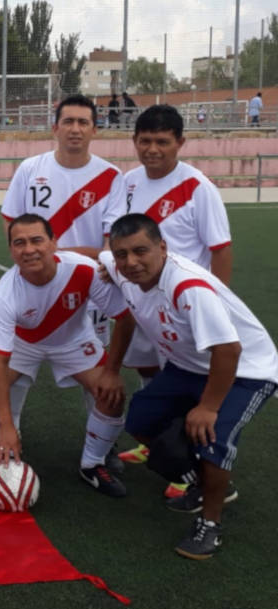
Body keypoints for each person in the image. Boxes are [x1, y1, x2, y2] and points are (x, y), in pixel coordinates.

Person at [104, 214, 277, 559]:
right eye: (121, 254)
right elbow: (112, 283)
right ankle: (203, 484)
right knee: (139, 420)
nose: (131, 262)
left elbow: (228, 350)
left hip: (245, 368)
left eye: (141, 251)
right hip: (190, 365)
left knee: (212, 437)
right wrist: (111, 369)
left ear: (163, 248)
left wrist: (208, 407)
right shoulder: (119, 269)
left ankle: (210, 525)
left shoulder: (187, 287)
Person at [117, 105, 234, 496]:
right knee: (151, 373)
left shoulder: (199, 188)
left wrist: (214, 303)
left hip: (184, 307)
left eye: (162, 142)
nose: (153, 149)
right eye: (145, 141)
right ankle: (157, 444)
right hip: (145, 300)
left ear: (180, 143)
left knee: (192, 388)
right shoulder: (129, 182)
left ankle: (191, 466)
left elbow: (220, 250)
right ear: (134, 142)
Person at [0, 214, 133, 496]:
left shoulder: (85, 270)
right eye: (19, 243)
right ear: (11, 250)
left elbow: (124, 317)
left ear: (54, 243)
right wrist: (5, 425)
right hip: (24, 343)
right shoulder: (5, 294)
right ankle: (7, 451)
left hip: (73, 340)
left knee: (112, 394)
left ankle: (93, 463)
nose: (29, 249)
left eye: (37, 240)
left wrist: (112, 371)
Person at [1, 94, 126, 364]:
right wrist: (31, 262)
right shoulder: (30, 169)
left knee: (96, 374)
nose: (75, 129)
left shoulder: (111, 176)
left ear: (95, 129)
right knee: (16, 366)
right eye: (68, 121)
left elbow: (112, 242)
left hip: (88, 286)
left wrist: (68, 260)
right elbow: (10, 221)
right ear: (55, 128)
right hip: (33, 282)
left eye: (83, 122)